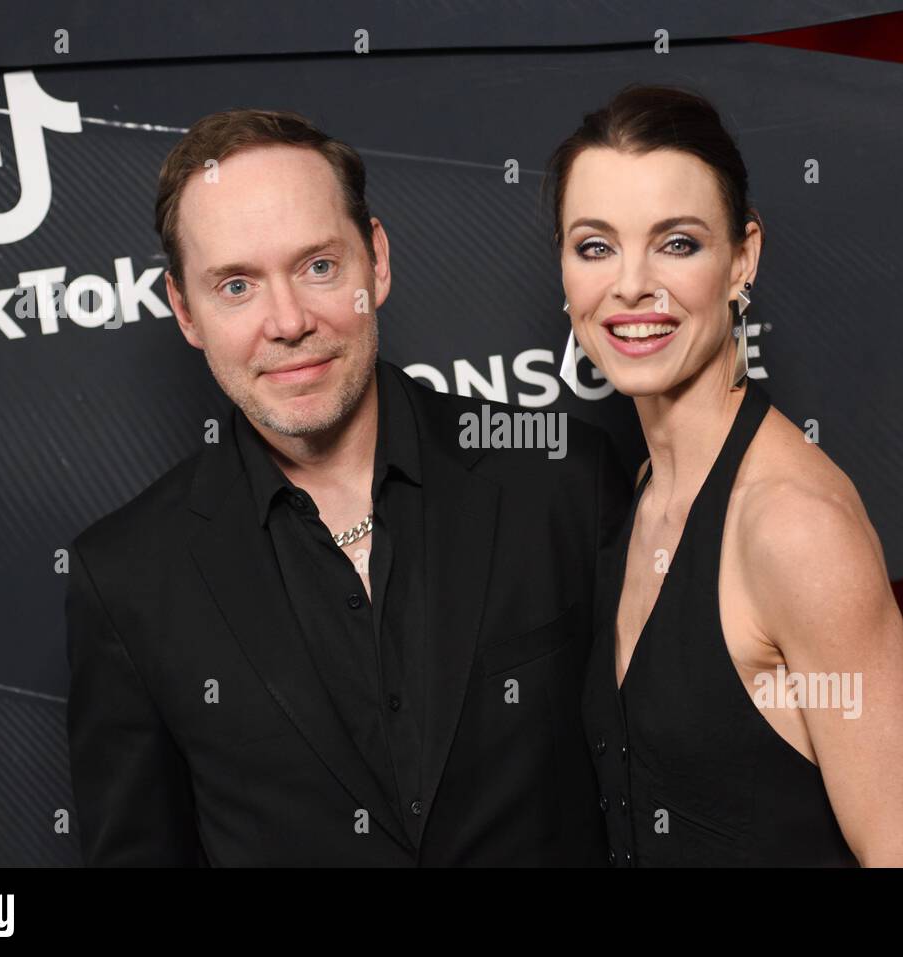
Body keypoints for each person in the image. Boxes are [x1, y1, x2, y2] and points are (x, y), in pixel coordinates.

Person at [64, 108, 631, 865]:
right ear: (184, 310)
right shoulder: (127, 577)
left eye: (318, 266)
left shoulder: (560, 480)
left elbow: (657, 795)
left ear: (378, 260)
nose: (288, 320)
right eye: (236, 285)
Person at [547, 85, 903, 866]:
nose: (632, 285)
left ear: (742, 258)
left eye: (677, 242)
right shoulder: (644, 492)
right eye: (595, 245)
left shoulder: (792, 523)